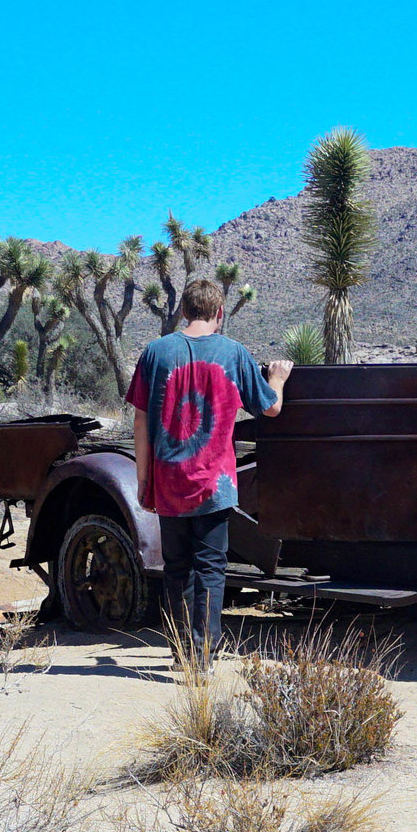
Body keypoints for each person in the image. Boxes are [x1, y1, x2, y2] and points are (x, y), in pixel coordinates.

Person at [124, 278, 291, 663]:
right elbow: (270, 408)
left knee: (176, 567)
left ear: (183, 311)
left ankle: (182, 649)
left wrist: (144, 479)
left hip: (168, 481)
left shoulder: (154, 353)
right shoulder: (233, 353)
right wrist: (277, 380)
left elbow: (140, 421)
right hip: (214, 484)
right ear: (219, 313)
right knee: (211, 567)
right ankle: (203, 651)